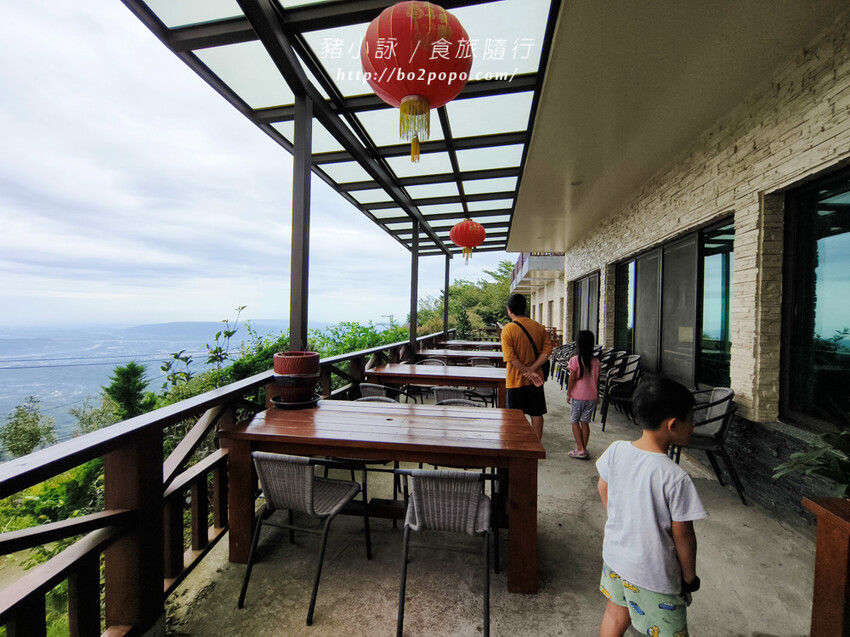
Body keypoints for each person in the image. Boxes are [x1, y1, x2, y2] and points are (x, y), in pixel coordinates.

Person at [596, 377, 706, 637]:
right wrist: (689, 578)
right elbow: (683, 535)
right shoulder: (675, 477)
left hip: (616, 558)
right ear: (673, 425)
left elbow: (603, 486)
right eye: (691, 420)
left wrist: (622, 520)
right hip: (654, 574)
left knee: (614, 616)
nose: (693, 427)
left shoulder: (616, 450)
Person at [500, 293, 553, 440]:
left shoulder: (508, 329)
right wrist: (533, 370)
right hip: (536, 379)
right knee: (536, 413)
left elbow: (511, 358)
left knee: (514, 416)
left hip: (515, 380)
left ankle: (517, 444)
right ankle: (535, 445)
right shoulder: (539, 327)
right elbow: (547, 351)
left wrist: (527, 371)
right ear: (525, 308)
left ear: (509, 310)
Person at [566, 330, 600, 459]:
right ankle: (583, 448)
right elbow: (597, 380)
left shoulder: (575, 360)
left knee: (574, 421)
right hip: (591, 397)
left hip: (578, 397)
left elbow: (571, 379)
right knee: (585, 422)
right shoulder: (596, 362)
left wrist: (569, 393)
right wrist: (597, 395)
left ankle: (580, 449)